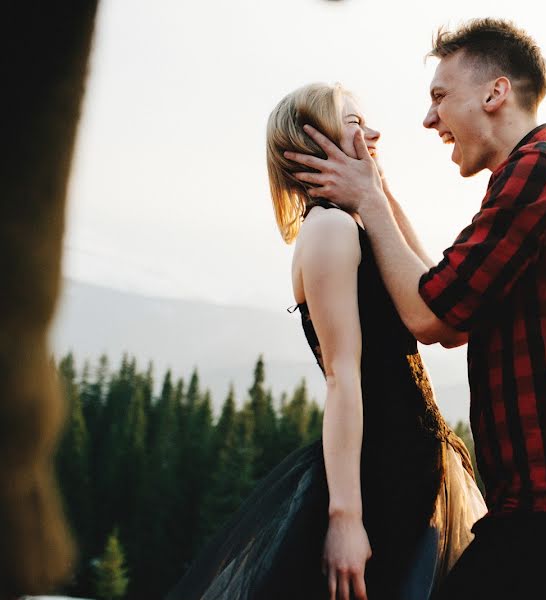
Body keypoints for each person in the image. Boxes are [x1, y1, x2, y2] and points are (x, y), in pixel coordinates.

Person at [285, 18, 546, 599]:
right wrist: (377, 192)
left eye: (438, 97)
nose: (429, 120)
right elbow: (447, 307)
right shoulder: (539, 176)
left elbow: (433, 315)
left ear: (494, 92)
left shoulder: (543, 173)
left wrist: (370, 200)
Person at [165, 83, 485, 600]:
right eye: (357, 122)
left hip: (416, 467)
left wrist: (379, 195)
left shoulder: (357, 222)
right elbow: (343, 375)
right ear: (315, 141)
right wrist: (345, 518)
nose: (376, 133)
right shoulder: (331, 229)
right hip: (378, 477)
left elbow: (436, 299)